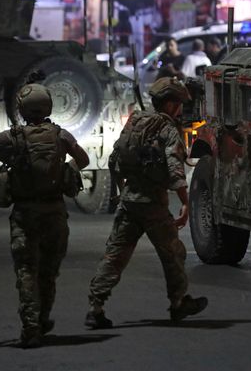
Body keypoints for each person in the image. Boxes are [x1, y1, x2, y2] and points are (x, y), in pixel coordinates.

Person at [0, 82, 89, 348]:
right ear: (48, 106)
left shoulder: (13, 137)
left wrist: (7, 156)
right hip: (56, 213)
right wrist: (64, 166)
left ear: (22, 109)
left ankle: (31, 327)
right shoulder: (61, 135)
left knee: (26, 271)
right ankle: (43, 319)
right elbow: (84, 160)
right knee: (48, 272)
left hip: (25, 214)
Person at [85, 77, 208, 329]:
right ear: (172, 103)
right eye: (179, 103)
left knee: (115, 256)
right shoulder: (167, 129)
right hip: (153, 204)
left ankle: (95, 308)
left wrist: (121, 191)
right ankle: (178, 303)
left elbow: (115, 158)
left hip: (130, 201)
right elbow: (175, 169)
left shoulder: (135, 121)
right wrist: (185, 204)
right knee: (173, 253)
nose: (181, 109)